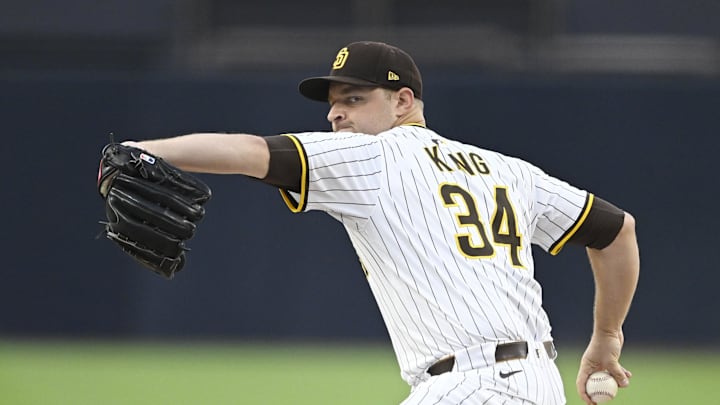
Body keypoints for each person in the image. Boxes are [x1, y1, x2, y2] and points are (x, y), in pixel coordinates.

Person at [122, 41, 640, 404]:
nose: (335, 115)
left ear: (403, 101)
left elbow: (250, 152)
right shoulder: (507, 170)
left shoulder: (373, 158)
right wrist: (606, 338)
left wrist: (141, 151)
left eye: (354, 99)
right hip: (535, 383)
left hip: (475, 388)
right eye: (333, 104)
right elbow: (616, 231)